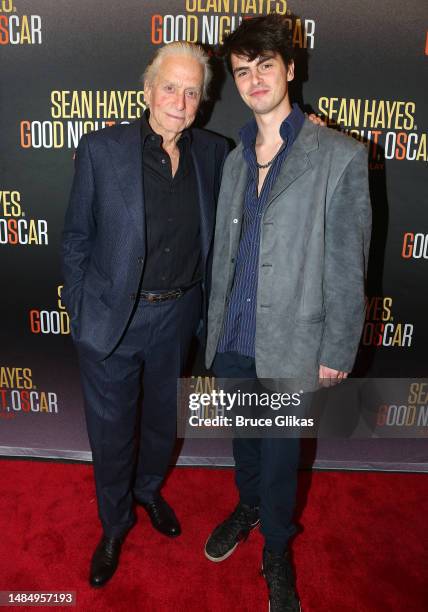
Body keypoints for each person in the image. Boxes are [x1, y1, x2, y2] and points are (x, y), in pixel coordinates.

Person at [205, 14, 371, 611]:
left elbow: (349, 264)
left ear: (290, 69)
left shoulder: (339, 155)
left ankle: (277, 547)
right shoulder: (233, 160)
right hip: (233, 334)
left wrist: (336, 348)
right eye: (243, 71)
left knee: (280, 453)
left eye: (265, 66)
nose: (254, 81)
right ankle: (247, 506)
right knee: (245, 442)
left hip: (292, 342)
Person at [61, 42, 229, 587]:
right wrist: (85, 310)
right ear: (147, 88)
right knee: (111, 433)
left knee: (161, 423)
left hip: (177, 316)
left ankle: (148, 491)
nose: (179, 101)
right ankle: (114, 524)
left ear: (202, 102)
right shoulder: (101, 150)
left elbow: (266, 162)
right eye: (170, 86)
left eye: (191, 91)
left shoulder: (213, 152)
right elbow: (76, 239)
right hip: (114, 320)